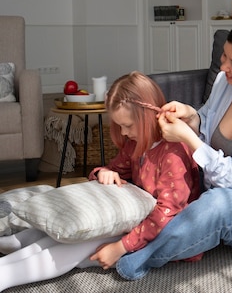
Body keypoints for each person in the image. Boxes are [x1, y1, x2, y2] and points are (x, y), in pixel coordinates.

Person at [115, 18, 232, 281]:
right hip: (216, 188)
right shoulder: (224, 83)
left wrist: (190, 140)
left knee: (219, 204)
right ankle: (130, 232)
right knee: (173, 187)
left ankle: (136, 255)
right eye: (224, 56)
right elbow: (206, 121)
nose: (224, 67)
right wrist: (190, 115)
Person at [0, 71, 200, 291]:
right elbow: (111, 168)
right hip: (138, 221)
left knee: (81, 243)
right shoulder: (136, 144)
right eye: (119, 125)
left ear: (147, 116)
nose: (123, 133)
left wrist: (121, 247)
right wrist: (104, 173)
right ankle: (13, 252)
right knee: (74, 230)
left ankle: (7, 273)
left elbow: (168, 213)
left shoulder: (173, 153)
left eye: (128, 125)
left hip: (165, 232)